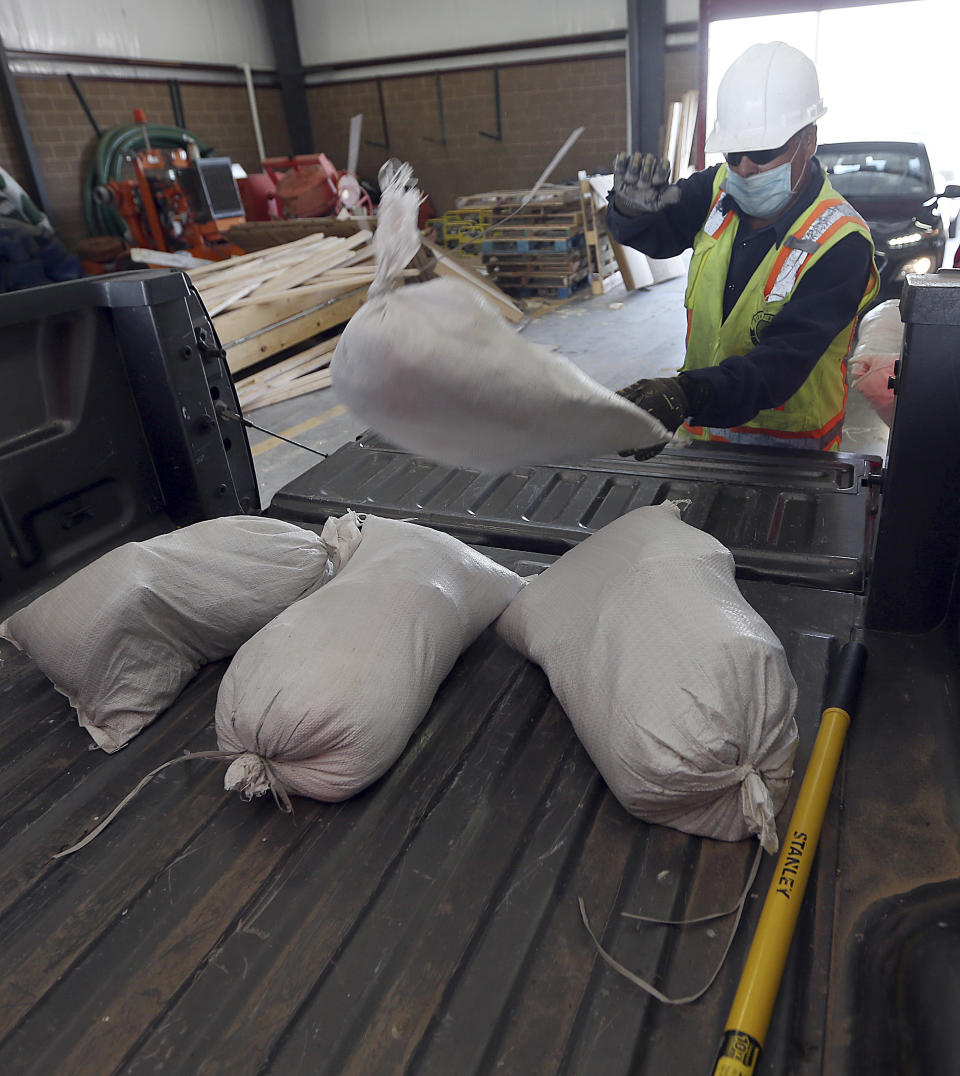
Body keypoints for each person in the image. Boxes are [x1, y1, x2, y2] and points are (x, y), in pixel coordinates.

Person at [607, 41, 879, 454]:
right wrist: (630, 210)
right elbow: (656, 237)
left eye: (764, 152)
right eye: (734, 153)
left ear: (809, 140)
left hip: (791, 456)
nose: (745, 167)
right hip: (703, 437)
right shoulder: (715, 188)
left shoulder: (841, 243)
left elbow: (780, 365)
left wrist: (686, 395)